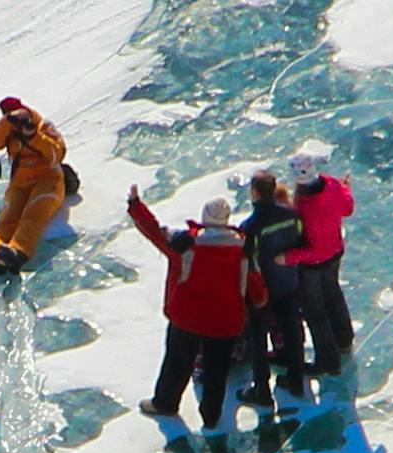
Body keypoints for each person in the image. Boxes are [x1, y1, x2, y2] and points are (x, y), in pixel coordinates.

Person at [127, 187, 258, 430]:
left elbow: (155, 232)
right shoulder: (242, 249)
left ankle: (165, 403)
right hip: (225, 322)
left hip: (187, 318)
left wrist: (136, 205)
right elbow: (253, 285)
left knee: (177, 361)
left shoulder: (186, 244)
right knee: (216, 372)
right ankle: (211, 417)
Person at [279, 142, 358, 387]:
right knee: (334, 295)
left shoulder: (303, 206)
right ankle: (344, 340)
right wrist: (345, 188)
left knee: (315, 311)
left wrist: (287, 257)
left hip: (313, 264)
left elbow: (311, 249)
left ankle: (328, 362)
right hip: (335, 253)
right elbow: (347, 209)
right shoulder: (332, 184)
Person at [0, 98, 75, 279]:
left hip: (48, 181)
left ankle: (19, 251)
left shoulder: (43, 127)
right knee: (7, 219)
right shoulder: (9, 133)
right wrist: (6, 123)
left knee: (32, 215)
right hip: (20, 184)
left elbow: (57, 154)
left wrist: (33, 136)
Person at [239, 169, 310, 414]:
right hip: (288, 282)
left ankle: (262, 391)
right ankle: (297, 380)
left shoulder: (250, 226)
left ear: (255, 192)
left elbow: (246, 259)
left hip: (263, 289)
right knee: (292, 330)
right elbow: (300, 240)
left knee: (259, 339)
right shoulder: (292, 216)